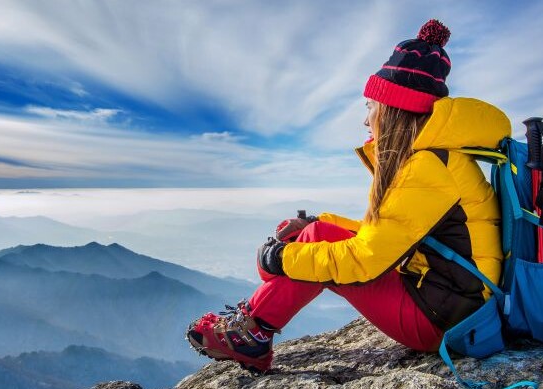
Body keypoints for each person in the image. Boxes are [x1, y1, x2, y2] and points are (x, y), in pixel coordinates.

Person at [186, 19, 511, 373]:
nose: (366, 120)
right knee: (316, 237)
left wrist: (282, 259)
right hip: (443, 299)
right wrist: (317, 225)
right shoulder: (432, 157)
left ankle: (251, 336)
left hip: (443, 320)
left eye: (370, 107)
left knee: (316, 256)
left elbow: (365, 260)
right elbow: (390, 234)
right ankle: (254, 331)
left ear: (392, 108)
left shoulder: (426, 168)